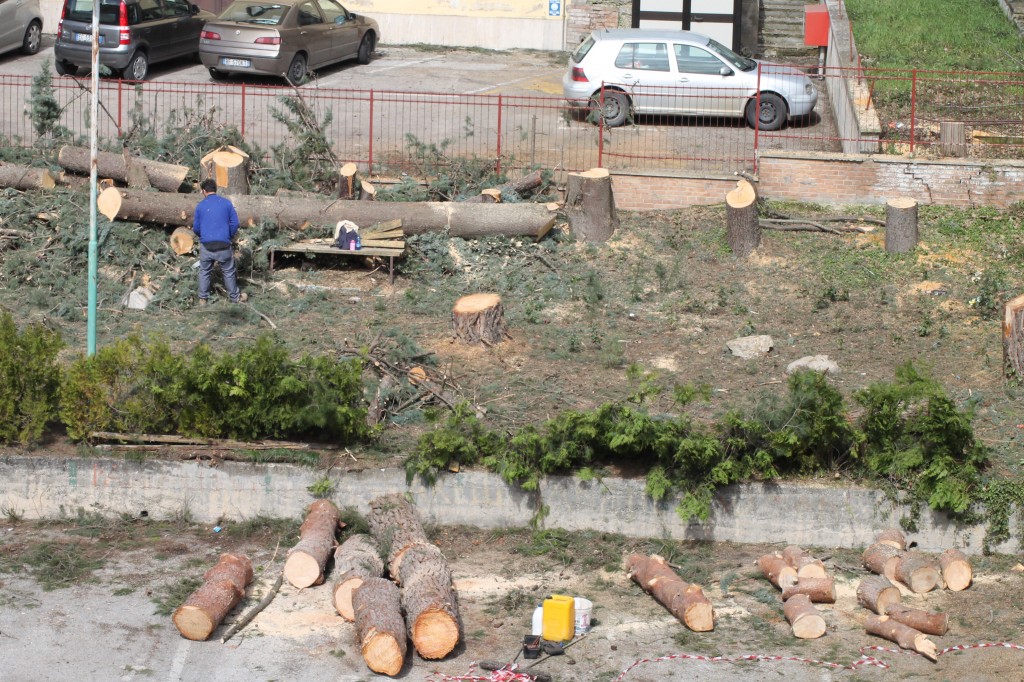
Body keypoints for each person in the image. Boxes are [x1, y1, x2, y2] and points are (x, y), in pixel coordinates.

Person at [193, 178, 246, 304]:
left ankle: (203, 299)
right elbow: (235, 223)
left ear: (204, 191)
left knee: (205, 271)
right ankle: (234, 298)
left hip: (206, 245)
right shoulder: (226, 203)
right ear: (215, 190)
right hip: (223, 244)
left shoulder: (200, 206)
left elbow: (196, 228)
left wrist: (204, 236)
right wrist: (228, 235)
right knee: (228, 271)